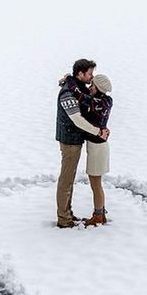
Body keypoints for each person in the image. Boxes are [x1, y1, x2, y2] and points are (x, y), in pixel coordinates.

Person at [55, 59, 109, 229]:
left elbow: (87, 96)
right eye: (89, 74)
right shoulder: (68, 94)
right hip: (70, 141)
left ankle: (67, 213)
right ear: (80, 74)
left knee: (69, 179)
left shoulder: (76, 85)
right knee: (66, 179)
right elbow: (77, 120)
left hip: (75, 139)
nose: (91, 78)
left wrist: (67, 79)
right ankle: (64, 218)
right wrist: (98, 132)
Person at [65, 73, 113, 228]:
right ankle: (101, 213)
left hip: (97, 148)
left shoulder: (96, 102)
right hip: (100, 146)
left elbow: (80, 95)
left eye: (92, 85)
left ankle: (98, 216)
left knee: (96, 183)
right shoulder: (106, 100)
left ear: (98, 88)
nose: (89, 87)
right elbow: (85, 94)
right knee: (96, 183)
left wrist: (69, 79)